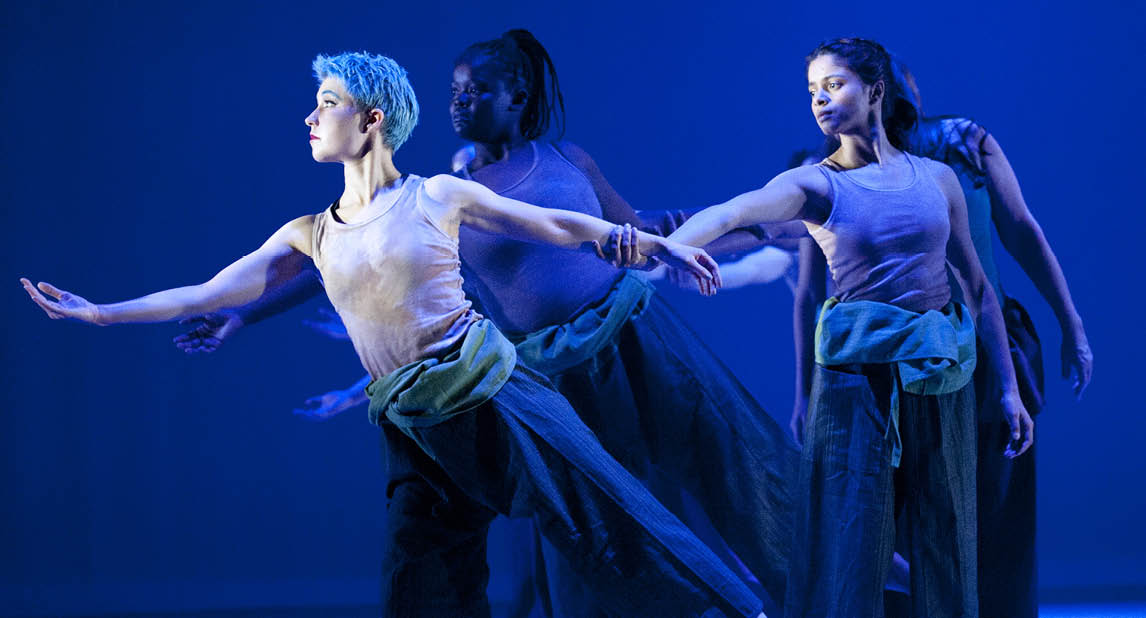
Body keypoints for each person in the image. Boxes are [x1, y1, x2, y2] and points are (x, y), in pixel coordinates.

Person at [21, 51, 774, 618]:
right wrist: (101, 312)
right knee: (418, 584)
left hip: (498, 399)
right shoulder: (311, 232)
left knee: (614, 527)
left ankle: (740, 610)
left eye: (327, 103)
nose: (311, 118)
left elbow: (557, 224)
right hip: (416, 428)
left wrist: (652, 245)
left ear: (372, 119)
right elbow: (214, 289)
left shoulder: (436, 195)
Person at [620, 38, 1034, 618]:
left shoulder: (938, 179)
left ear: (875, 90)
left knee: (944, 534)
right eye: (812, 90)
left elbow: (979, 288)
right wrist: (665, 243)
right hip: (855, 386)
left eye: (833, 85)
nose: (819, 99)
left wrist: (1010, 388)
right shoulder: (816, 184)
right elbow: (735, 212)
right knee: (851, 537)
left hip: (939, 376)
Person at [787, 59, 1093, 618]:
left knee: (989, 509)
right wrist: (806, 392)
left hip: (985, 347)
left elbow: (1021, 232)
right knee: (889, 519)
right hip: (890, 360)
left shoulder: (960, 145)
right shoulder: (834, 169)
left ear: (884, 92)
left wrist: (1071, 324)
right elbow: (805, 286)